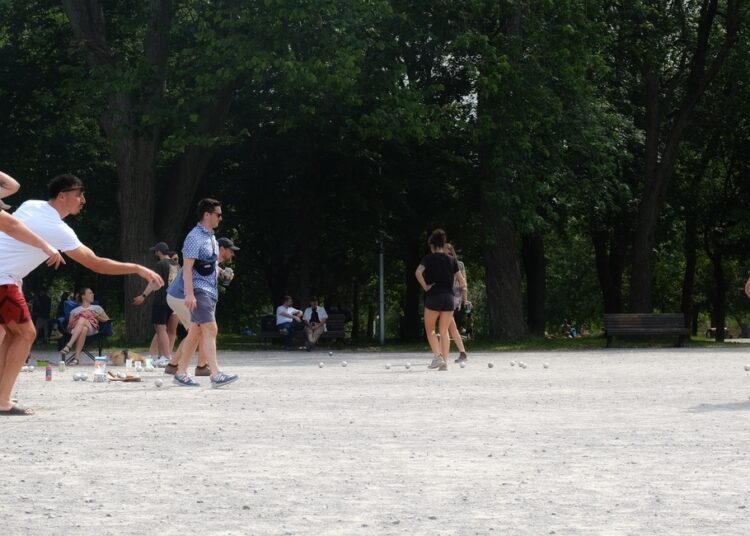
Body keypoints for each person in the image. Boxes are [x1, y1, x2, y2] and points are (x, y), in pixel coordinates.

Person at [0, 173, 163, 416]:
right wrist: (137, 268)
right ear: (62, 196)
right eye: (79, 194)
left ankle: (2, 396)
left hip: (8, 278)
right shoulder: (57, 229)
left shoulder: (31, 205)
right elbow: (96, 264)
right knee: (26, 333)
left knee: (13, 334)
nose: (83, 200)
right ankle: (2, 402)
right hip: (3, 278)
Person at [169, 199, 238, 388]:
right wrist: (190, 294)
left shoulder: (211, 238)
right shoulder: (194, 237)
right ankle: (215, 374)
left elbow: (210, 262)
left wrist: (222, 272)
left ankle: (181, 373)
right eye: (218, 214)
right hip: (200, 290)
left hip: (209, 290)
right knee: (210, 329)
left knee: (195, 332)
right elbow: (188, 269)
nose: (220, 218)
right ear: (207, 215)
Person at [415, 229, 467, 371]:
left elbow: (418, 273)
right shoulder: (452, 260)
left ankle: (437, 357)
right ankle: (444, 363)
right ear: (442, 244)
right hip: (449, 297)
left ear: (432, 245)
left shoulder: (428, 258)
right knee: (444, 331)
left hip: (434, 295)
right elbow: (462, 282)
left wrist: (426, 286)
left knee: (430, 329)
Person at [132, 241, 175, 367]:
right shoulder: (175, 264)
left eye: (155, 251)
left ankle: (166, 357)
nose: (155, 253)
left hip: (161, 300)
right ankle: (163, 356)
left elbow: (154, 283)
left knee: (160, 329)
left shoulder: (160, 264)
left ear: (159, 252)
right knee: (164, 329)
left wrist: (143, 295)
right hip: (173, 301)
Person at [60, 288, 109, 365]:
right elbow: (70, 326)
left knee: (82, 319)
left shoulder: (97, 308)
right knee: (83, 329)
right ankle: (76, 359)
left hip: (92, 329)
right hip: (77, 330)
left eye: (92, 293)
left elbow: (107, 320)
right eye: (90, 293)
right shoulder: (74, 311)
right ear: (83, 296)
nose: (92, 294)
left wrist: (97, 316)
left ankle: (68, 345)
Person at [444, 243, 471, 363]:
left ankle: (443, 354)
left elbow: (463, 284)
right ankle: (462, 353)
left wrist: (465, 300)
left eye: (449, 252)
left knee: (449, 326)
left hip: (452, 297)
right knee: (450, 326)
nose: (446, 254)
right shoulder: (441, 263)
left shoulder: (458, 264)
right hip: (445, 296)